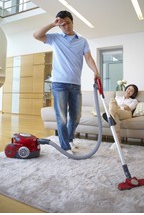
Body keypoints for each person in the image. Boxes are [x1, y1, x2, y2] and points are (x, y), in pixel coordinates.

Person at [33, 10, 100, 153]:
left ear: (72, 22)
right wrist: (52, 24)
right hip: (59, 84)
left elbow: (88, 58)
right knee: (62, 117)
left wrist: (96, 71)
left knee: (76, 116)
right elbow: (37, 35)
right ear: (59, 26)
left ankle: (69, 139)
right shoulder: (55, 38)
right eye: (62, 25)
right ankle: (65, 147)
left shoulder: (82, 41)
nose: (66, 27)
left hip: (75, 84)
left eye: (68, 23)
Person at [102, 84, 138, 148]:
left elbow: (129, 108)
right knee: (113, 101)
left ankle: (110, 117)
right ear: (126, 88)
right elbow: (113, 105)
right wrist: (119, 106)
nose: (129, 91)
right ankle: (118, 142)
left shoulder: (134, 100)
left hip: (127, 113)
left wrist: (119, 105)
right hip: (116, 111)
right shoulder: (118, 97)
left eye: (131, 91)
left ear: (133, 93)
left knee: (113, 110)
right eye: (129, 88)